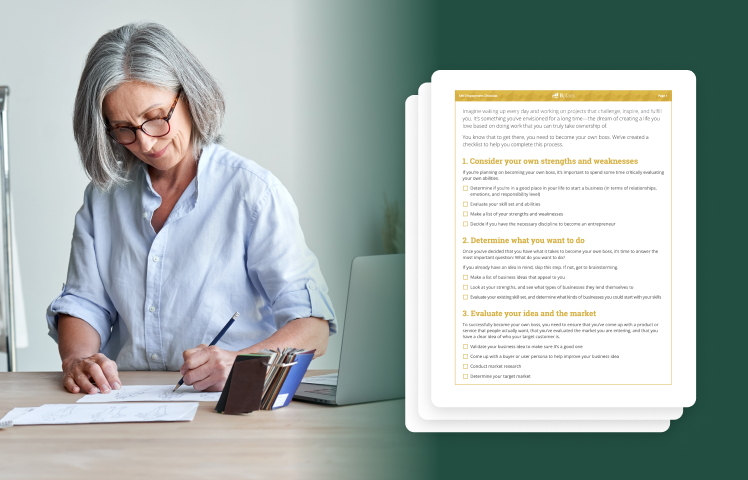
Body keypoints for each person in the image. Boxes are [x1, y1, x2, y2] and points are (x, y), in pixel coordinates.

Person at [46, 23, 336, 395]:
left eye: (155, 117)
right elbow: (86, 303)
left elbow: (312, 326)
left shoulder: (253, 193)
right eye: (124, 129)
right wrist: (77, 360)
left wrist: (241, 364)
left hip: (226, 406)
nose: (146, 143)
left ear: (190, 95)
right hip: (127, 402)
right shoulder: (103, 197)